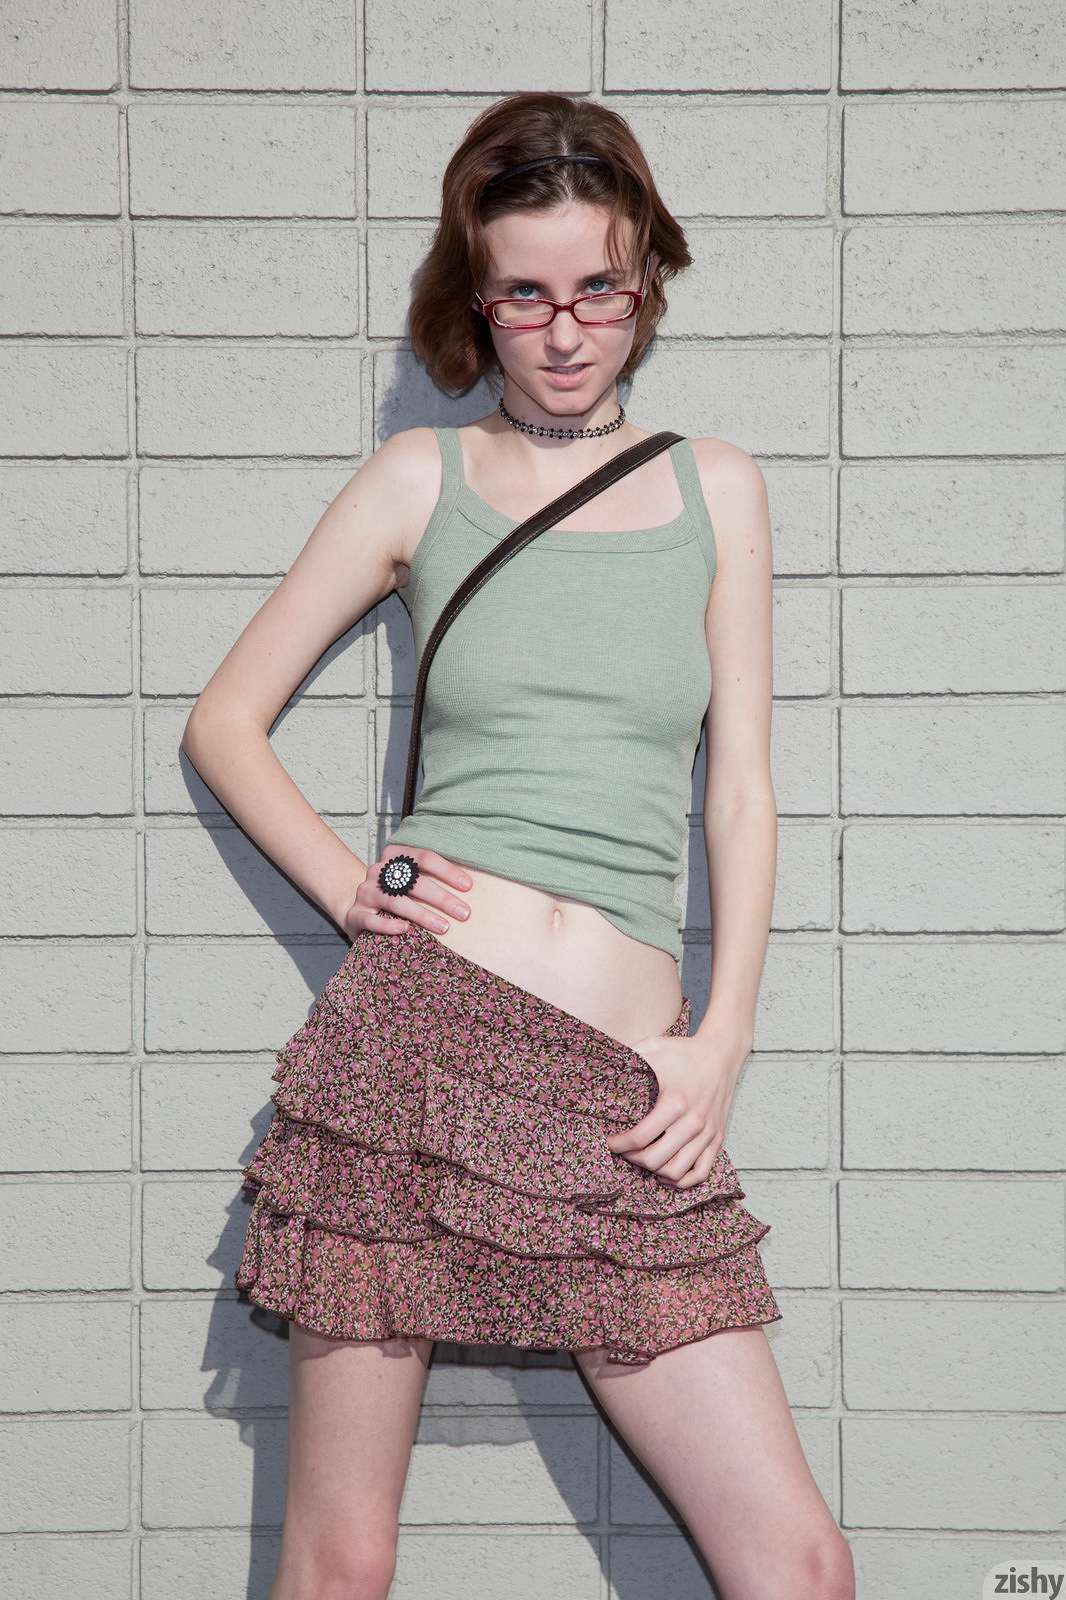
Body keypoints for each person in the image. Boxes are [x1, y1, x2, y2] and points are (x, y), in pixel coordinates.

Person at [182, 92, 854, 1600]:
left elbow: (740, 788)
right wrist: (350, 886)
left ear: (646, 280)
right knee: (341, 1566)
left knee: (800, 1566)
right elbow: (227, 720)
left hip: (625, 1088)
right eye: (524, 294)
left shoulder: (716, 485)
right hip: (414, 1057)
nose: (563, 332)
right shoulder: (419, 479)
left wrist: (721, 1040)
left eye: (597, 288)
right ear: (475, 296)